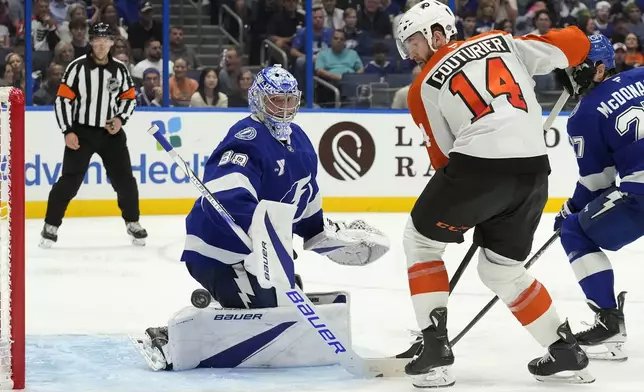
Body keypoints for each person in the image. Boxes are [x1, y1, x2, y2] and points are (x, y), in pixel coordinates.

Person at [394, 0, 607, 387]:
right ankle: (565, 351)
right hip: (533, 172)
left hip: (477, 168)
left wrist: (478, 202)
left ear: (437, 34)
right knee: (501, 269)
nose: (410, 51)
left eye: (413, 41)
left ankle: (435, 350)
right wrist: (574, 67)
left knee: (421, 242)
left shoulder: (422, 86)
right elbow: (576, 43)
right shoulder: (502, 41)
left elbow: (444, 157)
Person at [133, 65, 390, 372]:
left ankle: (240, 301)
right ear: (257, 100)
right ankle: (168, 338)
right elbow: (227, 199)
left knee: (281, 305)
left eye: (288, 100)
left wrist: (322, 237)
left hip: (262, 251)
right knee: (266, 313)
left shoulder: (301, 141)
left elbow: (305, 202)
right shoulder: (246, 137)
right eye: (275, 100)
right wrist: (258, 242)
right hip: (218, 251)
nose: (283, 108)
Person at [553, 37, 644, 363]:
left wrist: (569, 210)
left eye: (575, 68)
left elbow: (597, 184)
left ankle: (608, 321)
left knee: (575, 231)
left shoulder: (584, 114)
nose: (567, 75)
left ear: (600, 69)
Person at [41, 23, 147, 248]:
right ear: (91, 41)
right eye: (97, 40)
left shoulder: (120, 69)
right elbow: (62, 100)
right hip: (82, 132)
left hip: (111, 134)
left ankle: (133, 221)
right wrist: (67, 130)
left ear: (111, 42)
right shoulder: (76, 67)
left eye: (105, 40)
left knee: (125, 181)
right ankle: (50, 225)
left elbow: (129, 97)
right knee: (70, 181)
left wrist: (120, 119)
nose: (101, 44)